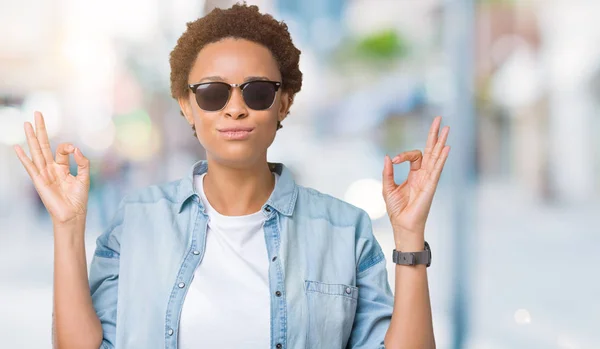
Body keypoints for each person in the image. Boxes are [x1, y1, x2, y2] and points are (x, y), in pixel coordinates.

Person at [13, 3, 450, 349]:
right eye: (212, 92)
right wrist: (68, 227)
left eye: (258, 91)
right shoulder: (137, 221)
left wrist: (409, 236)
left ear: (284, 104)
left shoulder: (344, 230)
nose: (235, 108)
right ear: (186, 105)